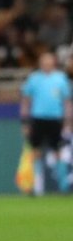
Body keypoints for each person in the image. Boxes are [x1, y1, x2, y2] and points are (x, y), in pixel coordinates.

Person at [20, 51, 73, 195]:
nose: (47, 64)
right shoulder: (34, 79)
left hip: (55, 119)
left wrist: (68, 121)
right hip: (38, 119)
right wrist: (24, 122)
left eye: (49, 61)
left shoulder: (60, 79)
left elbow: (67, 102)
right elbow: (26, 100)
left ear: (53, 62)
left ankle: (63, 186)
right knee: (35, 152)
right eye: (44, 61)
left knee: (58, 152)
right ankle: (37, 186)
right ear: (40, 63)